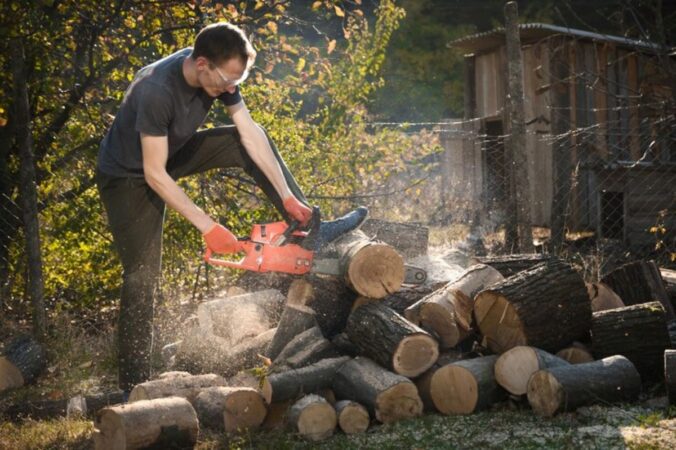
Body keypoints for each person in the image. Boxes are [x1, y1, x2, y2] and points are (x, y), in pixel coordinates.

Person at [96, 22, 367, 392]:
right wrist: (209, 227)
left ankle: (311, 230)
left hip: (167, 155)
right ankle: (132, 384)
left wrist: (286, 195)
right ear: (202, 63)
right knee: (142, 277)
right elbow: (154, 175)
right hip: (128, 176)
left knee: (243, 141)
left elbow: (250, 133)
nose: (230, 88)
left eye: (237, 79)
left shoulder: (221, 76)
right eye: (227, 79)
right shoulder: (157, 90)